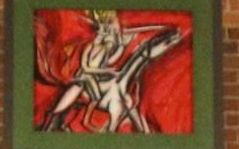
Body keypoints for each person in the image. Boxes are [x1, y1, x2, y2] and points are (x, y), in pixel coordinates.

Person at [38, 10, 186, 136]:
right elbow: (86, 66)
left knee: (127, 100)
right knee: (79, 85)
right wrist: (103, 69)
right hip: (88, 77)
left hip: (103, 78)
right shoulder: (94, 46)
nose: (108, 30)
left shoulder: (110, 46)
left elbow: (114, 59)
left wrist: (120, 45)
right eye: (105, 26)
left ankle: (143, 131)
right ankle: (55, 116)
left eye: (110, 24)